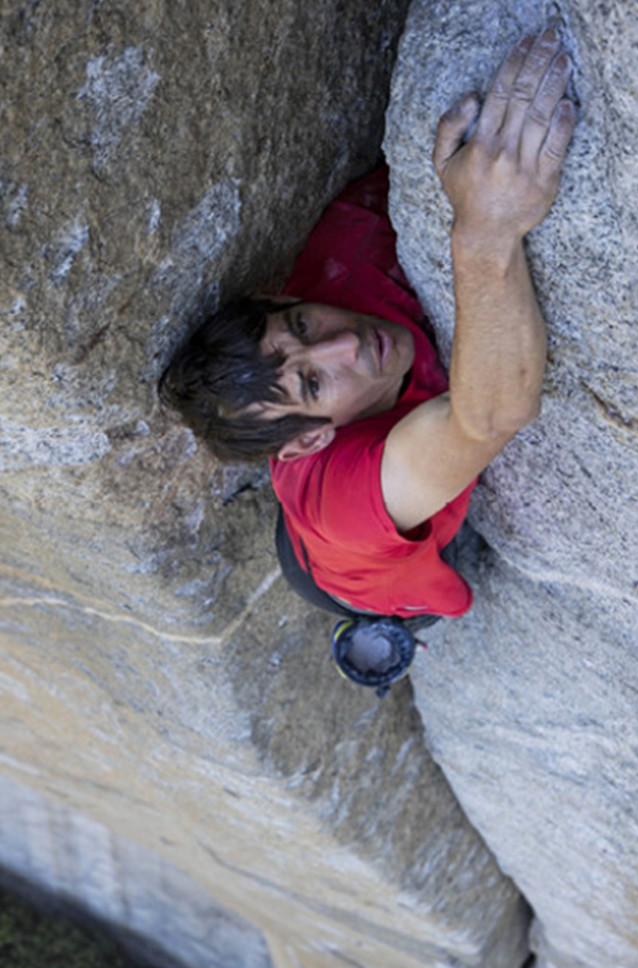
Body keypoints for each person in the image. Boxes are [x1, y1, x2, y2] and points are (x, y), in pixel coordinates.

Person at [161, 28, 575, 630]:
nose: (345, 342)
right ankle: (377, 624)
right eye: (312, 383)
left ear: (281, 296)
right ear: (306, 442)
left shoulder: (349, 245)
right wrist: (484, 232)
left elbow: (438, 169)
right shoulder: (349, 507)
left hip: (324, 510)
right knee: (399, 608)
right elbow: (489, 416)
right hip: (353, 568)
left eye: (301, 324)